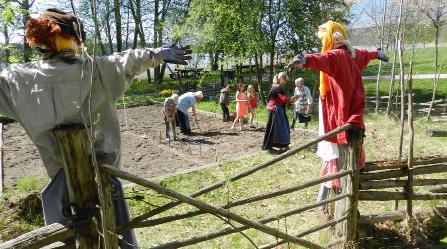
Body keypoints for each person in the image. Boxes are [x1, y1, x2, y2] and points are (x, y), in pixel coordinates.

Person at [0, 8, 191, 248]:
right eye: (72, 37)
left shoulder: (19, 79)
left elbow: (125, 61)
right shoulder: (93, 71)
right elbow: (125, 61)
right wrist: (158, 54)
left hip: (68, 184)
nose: (77, 44)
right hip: (99, 177)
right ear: (55, 37)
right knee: (111, 238)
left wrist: (157, 54)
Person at [287, 20, 388, 213]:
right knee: (343, 154)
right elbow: (366, 54)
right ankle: (328, 202)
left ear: (328, 40)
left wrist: (305, 59)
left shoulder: (336, 56)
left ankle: (327, 204)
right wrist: (377, 53)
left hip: (338, 116)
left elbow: (322, 59)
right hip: (353, 115)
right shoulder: (353, 54)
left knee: (334, 154)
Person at [262, 72, 297, 151]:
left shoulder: (274, 86)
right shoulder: (278, 88)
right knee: (281, 128)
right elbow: (284, 99)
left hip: (275, 109)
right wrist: (293, 98)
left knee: (276, 129)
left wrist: (291, 99)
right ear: (281, 79)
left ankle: (274, 146)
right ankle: (281, 146)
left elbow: (280, 99)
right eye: (285, 80)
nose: (286, 82)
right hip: (276, 110)